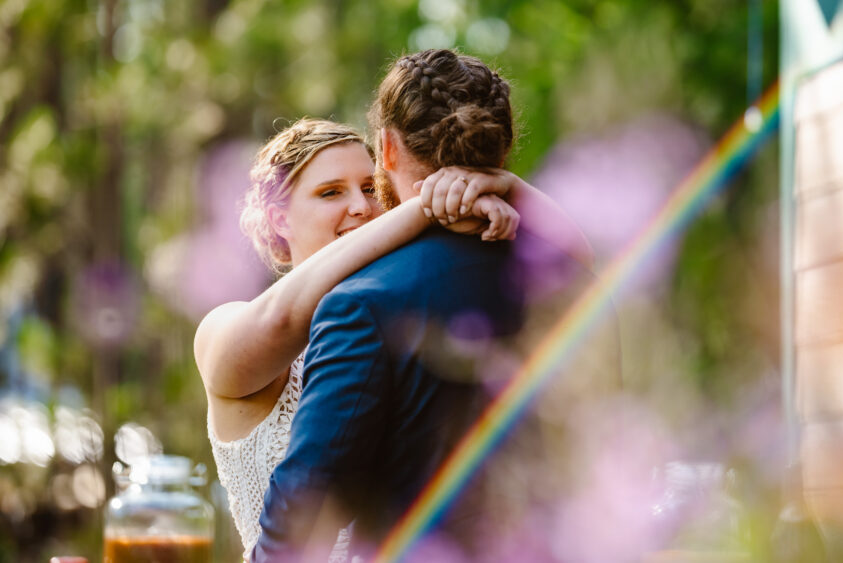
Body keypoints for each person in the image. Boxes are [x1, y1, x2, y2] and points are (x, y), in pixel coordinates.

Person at [196, 116, 591, 559]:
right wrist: (429, 205)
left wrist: (502, 185)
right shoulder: (224, 327)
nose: (363, 207)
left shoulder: (393, 320)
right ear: (279, 218)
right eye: (331, 192)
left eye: (370, 188)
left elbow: (591, 272)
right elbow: (284, 320)